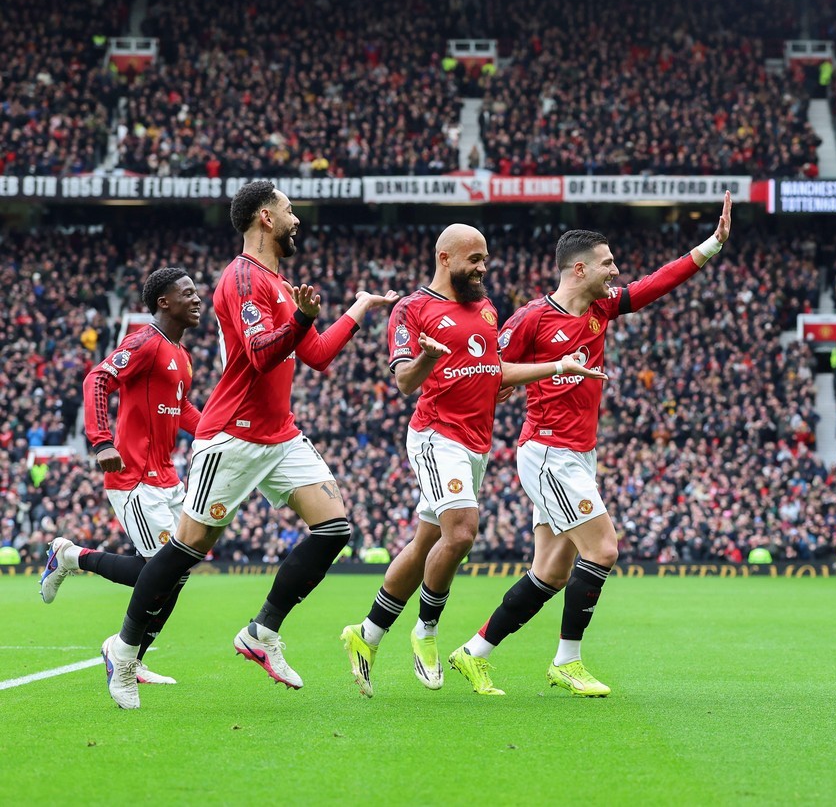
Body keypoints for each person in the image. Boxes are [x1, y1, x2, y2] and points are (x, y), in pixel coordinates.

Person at [101, 180, 399, 709]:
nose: (296, 218)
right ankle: (124, 652)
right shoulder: (241, 277)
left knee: (334, 528)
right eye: (289, 210)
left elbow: (318, 354)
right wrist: (303, 318)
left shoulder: (280, 285)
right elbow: (261, 354)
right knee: (187, 550)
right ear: (265, 217)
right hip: (233, 434)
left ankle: (261, 632)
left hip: (280, 433)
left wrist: (357, 308)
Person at [444, 192, 733, 697]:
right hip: (549, 452)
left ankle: (474, 652)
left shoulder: (601, 308)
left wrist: (711, 244)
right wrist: (536, 373)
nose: (615, 272)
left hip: (579, 453)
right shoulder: (532, 318)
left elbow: (654, 286)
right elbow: (492, 370)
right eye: (607, 264)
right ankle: (567, 661)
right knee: (603, 548)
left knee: (550, 572)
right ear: (578, 269)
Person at [339, 224, 605, 698]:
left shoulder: (485, 309)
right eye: (474, 259)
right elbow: (404, 380)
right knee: (461, 531)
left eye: (485, 258)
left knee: (426, 544)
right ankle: (426, 633)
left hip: (475, 443)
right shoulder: (412, 308)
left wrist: (558, 366)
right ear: (445, 258)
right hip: (434, 434)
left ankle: (368, 632)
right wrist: (425, 358)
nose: (483, 268)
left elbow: (495, 370)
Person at [41, 268, 203, 686]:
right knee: (164, 570)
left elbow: (181, 410)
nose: (197, 299)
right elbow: (97, 378)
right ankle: (124, 654)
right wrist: (100, 440)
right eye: (187, 293)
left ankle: (73, 561)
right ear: (164, 302)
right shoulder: (145, 342)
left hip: (167, 478)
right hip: (134, 475)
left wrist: (217, 433)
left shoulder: (181, 356)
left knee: (175, 572)